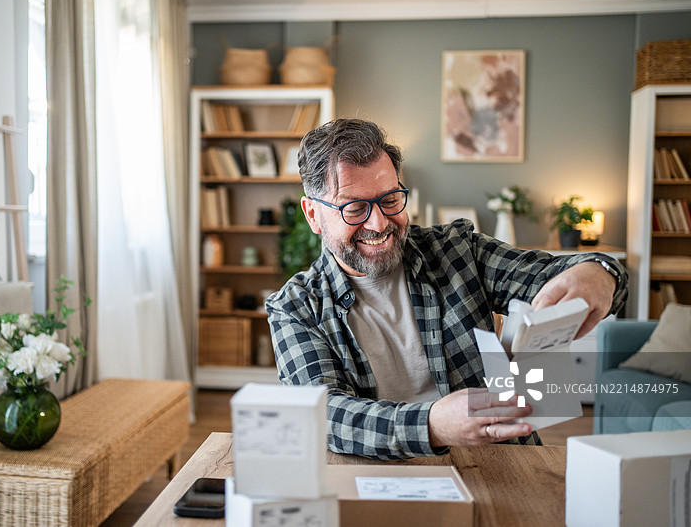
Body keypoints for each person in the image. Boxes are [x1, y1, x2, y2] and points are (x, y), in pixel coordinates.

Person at [265, 118, 628, 460]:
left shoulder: (457, 250)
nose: (378, 223)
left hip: (502, 460)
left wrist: (600, 273)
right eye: (355, 208)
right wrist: (433, 425)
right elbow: (323, 415)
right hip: (381, 470)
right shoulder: (296, 307)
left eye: (390, 200)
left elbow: (552, 273)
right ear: (313, 214)